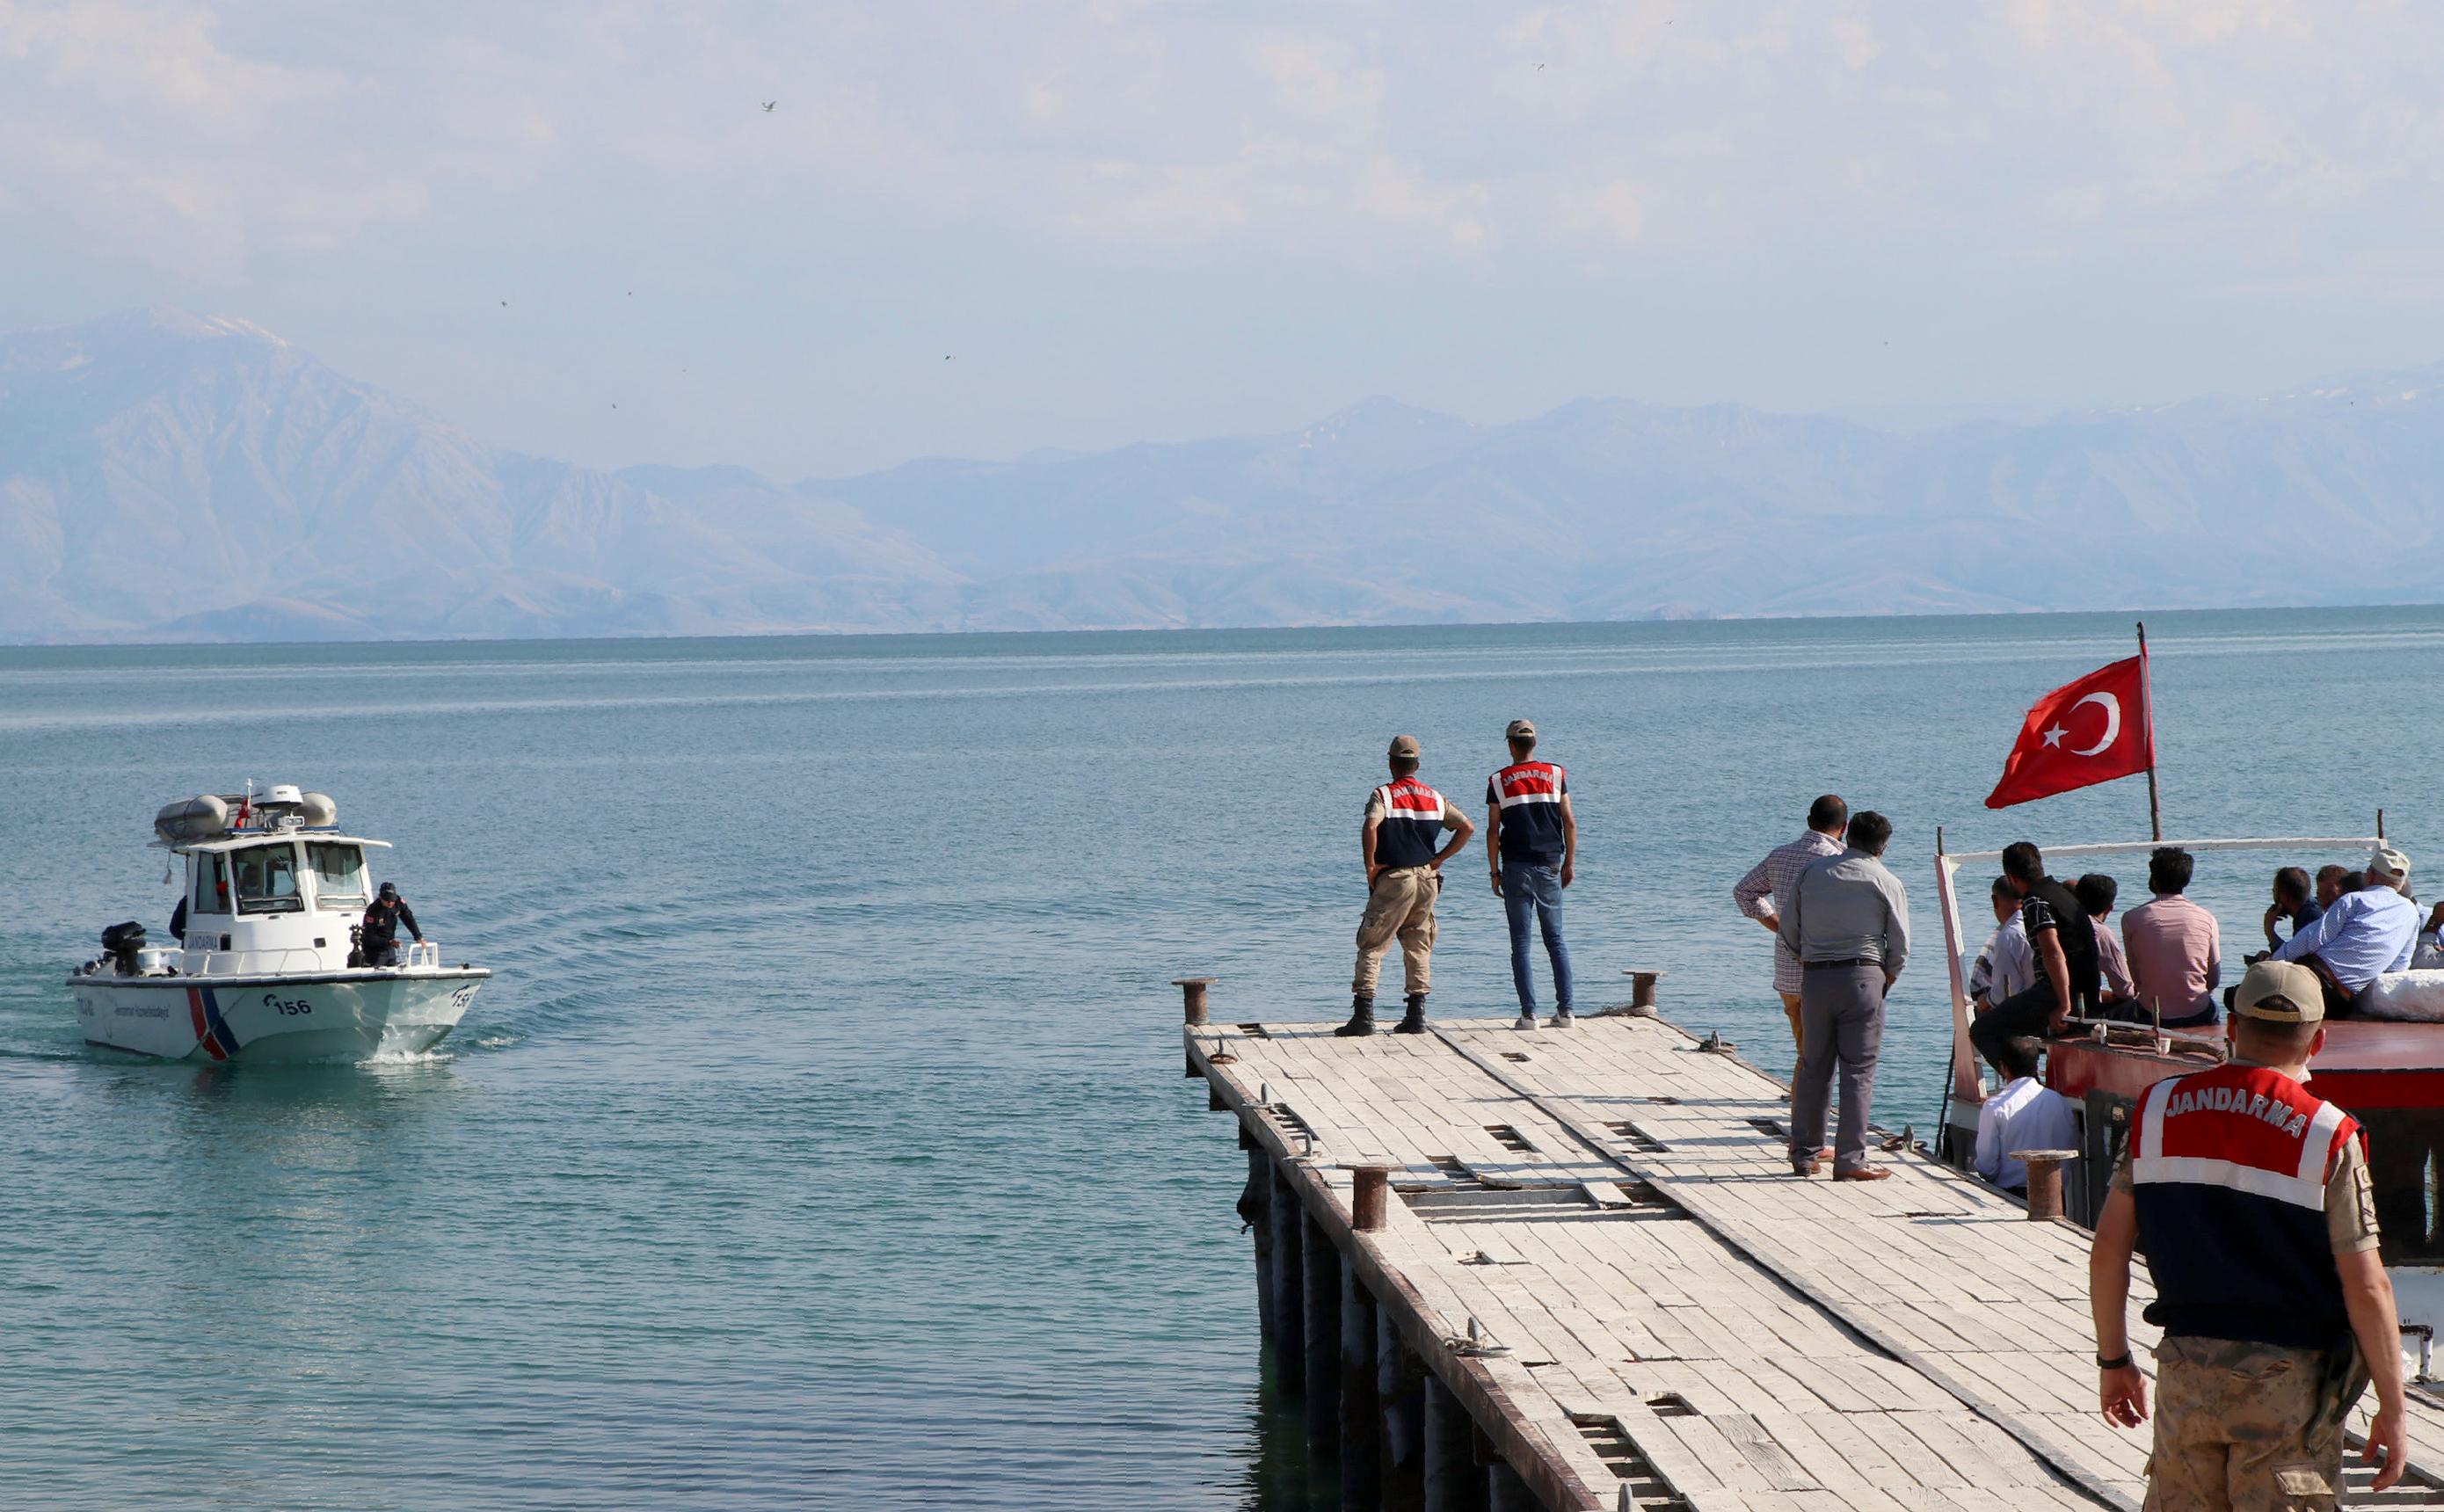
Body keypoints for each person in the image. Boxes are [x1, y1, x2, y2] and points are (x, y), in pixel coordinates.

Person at [2090, 960, 2406, 1503]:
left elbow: (2108, 1251)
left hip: (2186, 1375)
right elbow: (2367, 1285)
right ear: (2318, 1041)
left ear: (2232, 1030)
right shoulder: (2329, 1134)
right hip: (2289, 1387)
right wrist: (2394, 1408)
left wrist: (2115, 1361)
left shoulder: (2158, 1110)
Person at [1778, 810, 1908, 1182]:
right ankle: (1850, 1160)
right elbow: (1900, 945)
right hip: (1864, 976)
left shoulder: (1813, 873)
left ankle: (1805, 1154)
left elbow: (1788, 927)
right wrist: (1885, 979)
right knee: (1859, 1072)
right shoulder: (1885, 880)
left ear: (1848, 835)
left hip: (1815, 977)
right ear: (1884, 845)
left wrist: (1806, 955)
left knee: (1814, 1065)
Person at [1335, 735, 1474, 1037]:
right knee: (1418, 943)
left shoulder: (1383, 795)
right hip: (1427, 879)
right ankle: (1416, 1014)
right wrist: (1438, 859)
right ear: (1417, 765)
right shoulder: (1435, 797)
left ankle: (1364, 1017)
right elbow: (1467, 827)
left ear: (1390, 763)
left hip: (1395, 878)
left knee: (1373, 943)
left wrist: (1370, 866)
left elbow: (1371, 826)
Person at [1733, 795, 1848, 1061]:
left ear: (1809, 821)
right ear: (1844, 827)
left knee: (1806, 1053)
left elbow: (1743, 892)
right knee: (1821, 1057)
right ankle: (1811, 1102)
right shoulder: (1841, 861)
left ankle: (1803, 1100)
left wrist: (1782, 927)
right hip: (1825, 973)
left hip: (1787, 973)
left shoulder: (1780, 855)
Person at [1968, 841, 2100, 1071]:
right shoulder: (2062, 893)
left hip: (2060, 989)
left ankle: (2026, 1086)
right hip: (2086, 985)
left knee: (1982, 1030)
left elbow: (2053, 952)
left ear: (2011, 876)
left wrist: (2064, 1004)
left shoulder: (2034, 900)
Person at [1485, 718, 1576, 1031]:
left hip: (1515, 867)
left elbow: (1493, 830)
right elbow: (1569, 822)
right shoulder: (1555, 774)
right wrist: (1569, 863)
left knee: (1521, 943)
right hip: (1550, 863)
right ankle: (1566, 1012)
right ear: (1534, 743)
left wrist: (1494, 871)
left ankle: (1529, 1015)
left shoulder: (1499, 780)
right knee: (1556, 940)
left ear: (1510, 745)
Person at [2272, 847, 2419, 1018]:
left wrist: (2273, 961)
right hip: (2342, 1000)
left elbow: (2314, 938)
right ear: (2401, 883)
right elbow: (2399, 964)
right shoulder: (2412, 913)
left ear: (2370, 875)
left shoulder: (2354, 900)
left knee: (2240, 996)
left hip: (2313, 978)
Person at [2120, 847, 2222, 1029]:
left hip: (2151, 1013)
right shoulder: (2207, 918)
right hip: (2197, 1011)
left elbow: (2136, 977)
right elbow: (2213, 979)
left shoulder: (2131, 918)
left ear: (2154, 879)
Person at [1974, 1036, 2077, 1196]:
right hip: (2055, 1193)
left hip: (2012, 1194)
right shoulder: (2059, 1102)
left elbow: (1987, 1166)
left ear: (2003, 1067)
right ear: (2036, 1066)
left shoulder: (1995, 1106)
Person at [1968, 876, 2034, 1012]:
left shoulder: (2008, 935)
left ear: (1995, 901)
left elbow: (2004, 992)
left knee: (1979, 1029)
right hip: (2047, 1001)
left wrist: (1985, 1001)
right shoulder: (2038, 922)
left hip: (2028, 1010)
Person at [2077, 873, 2136, 1007]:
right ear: (2109, 908)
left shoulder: (2060, 925)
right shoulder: (2101, 933)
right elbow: (2125, 990)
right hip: (2084, 1008)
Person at [360, 881, 424, 968]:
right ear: (380, 897)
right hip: (374, 949)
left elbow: (408, 918)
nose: (390, 903)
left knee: (393, 966)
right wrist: (389, 942)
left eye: (392, 900)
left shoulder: (398, 902)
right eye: (387, 900)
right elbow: (369, 937)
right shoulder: (373, 910)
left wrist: (418, 937)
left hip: (390, 947)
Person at [2264, 866, 2322, 950]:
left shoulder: (2309, 916)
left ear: (2284, 897)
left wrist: (2269, 930)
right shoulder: (2311, 910)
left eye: (2274, 892)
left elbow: (2294, 956)